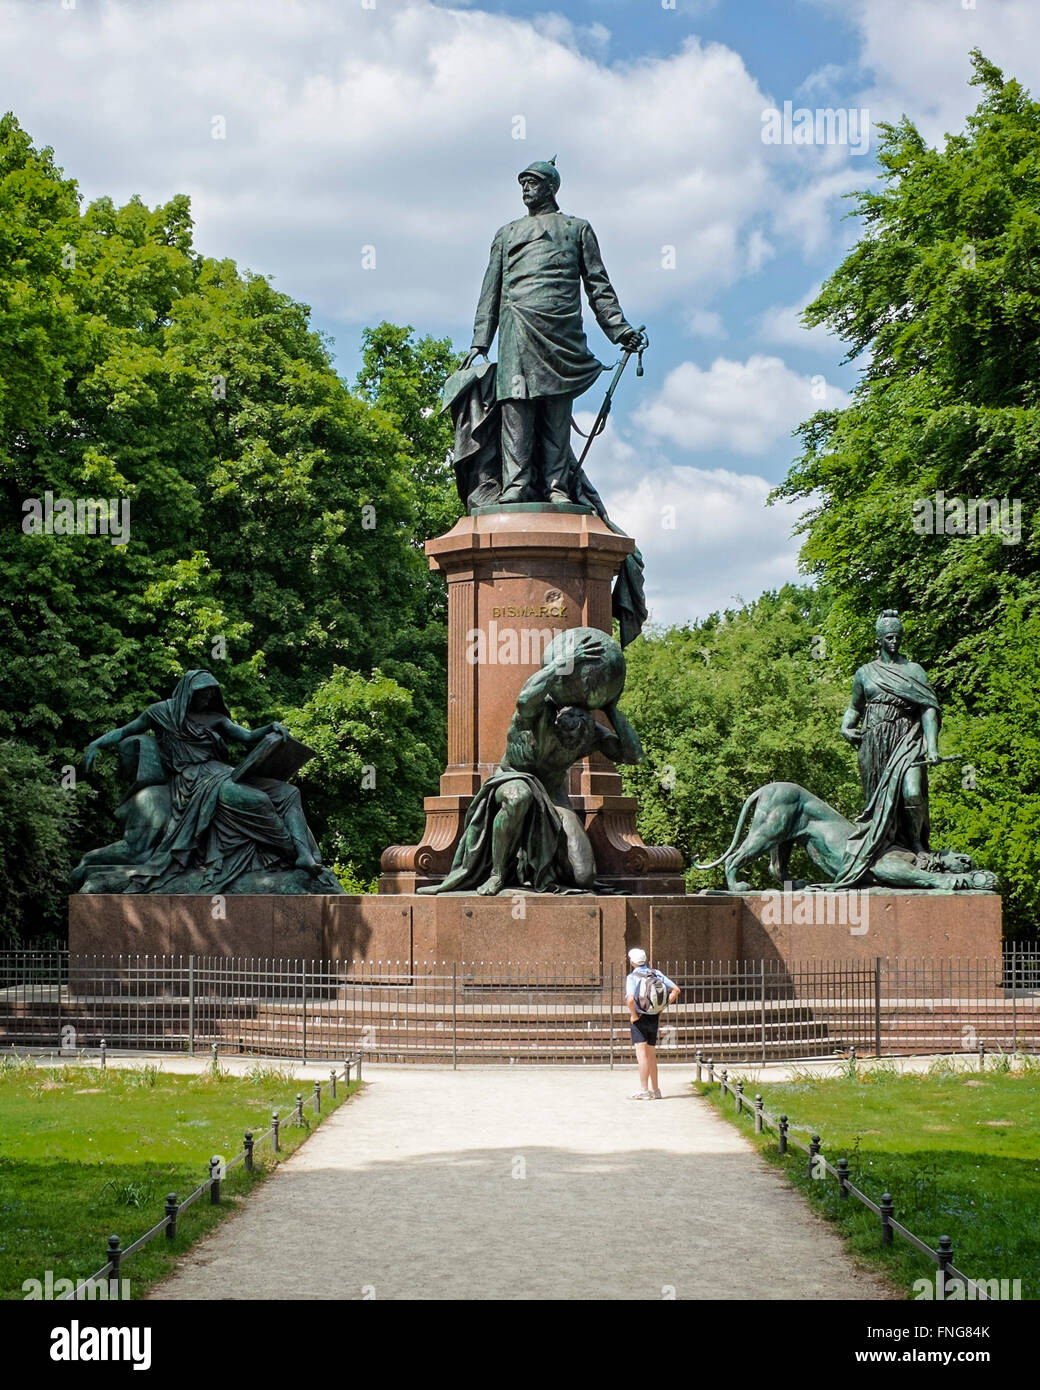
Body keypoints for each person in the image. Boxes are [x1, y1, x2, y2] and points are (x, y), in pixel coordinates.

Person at [460, 158, 645, 503]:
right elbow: (491, 291)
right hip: (517, 330)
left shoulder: (577, 229)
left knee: (556, 413)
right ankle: (515, 485)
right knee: (516, 407)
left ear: (551, 187)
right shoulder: (507, 233)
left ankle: (556, 486)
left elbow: (598, 288)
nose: (525, 189)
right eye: (522, 184)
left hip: (560, 334)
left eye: (532, 183)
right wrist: (479, 342)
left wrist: (620, 330)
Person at [625, 947, 680, 1100]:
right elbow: (675, 990)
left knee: (641, 1055)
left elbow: (630, 1000)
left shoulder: (632, 977)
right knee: (651, 1055)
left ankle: (644, 1090)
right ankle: (656, 1090)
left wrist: (634, 1016)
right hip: (654, 1016)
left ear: (632, 961)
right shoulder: (656, 973)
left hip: (640, 1017)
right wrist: (661, 1008)